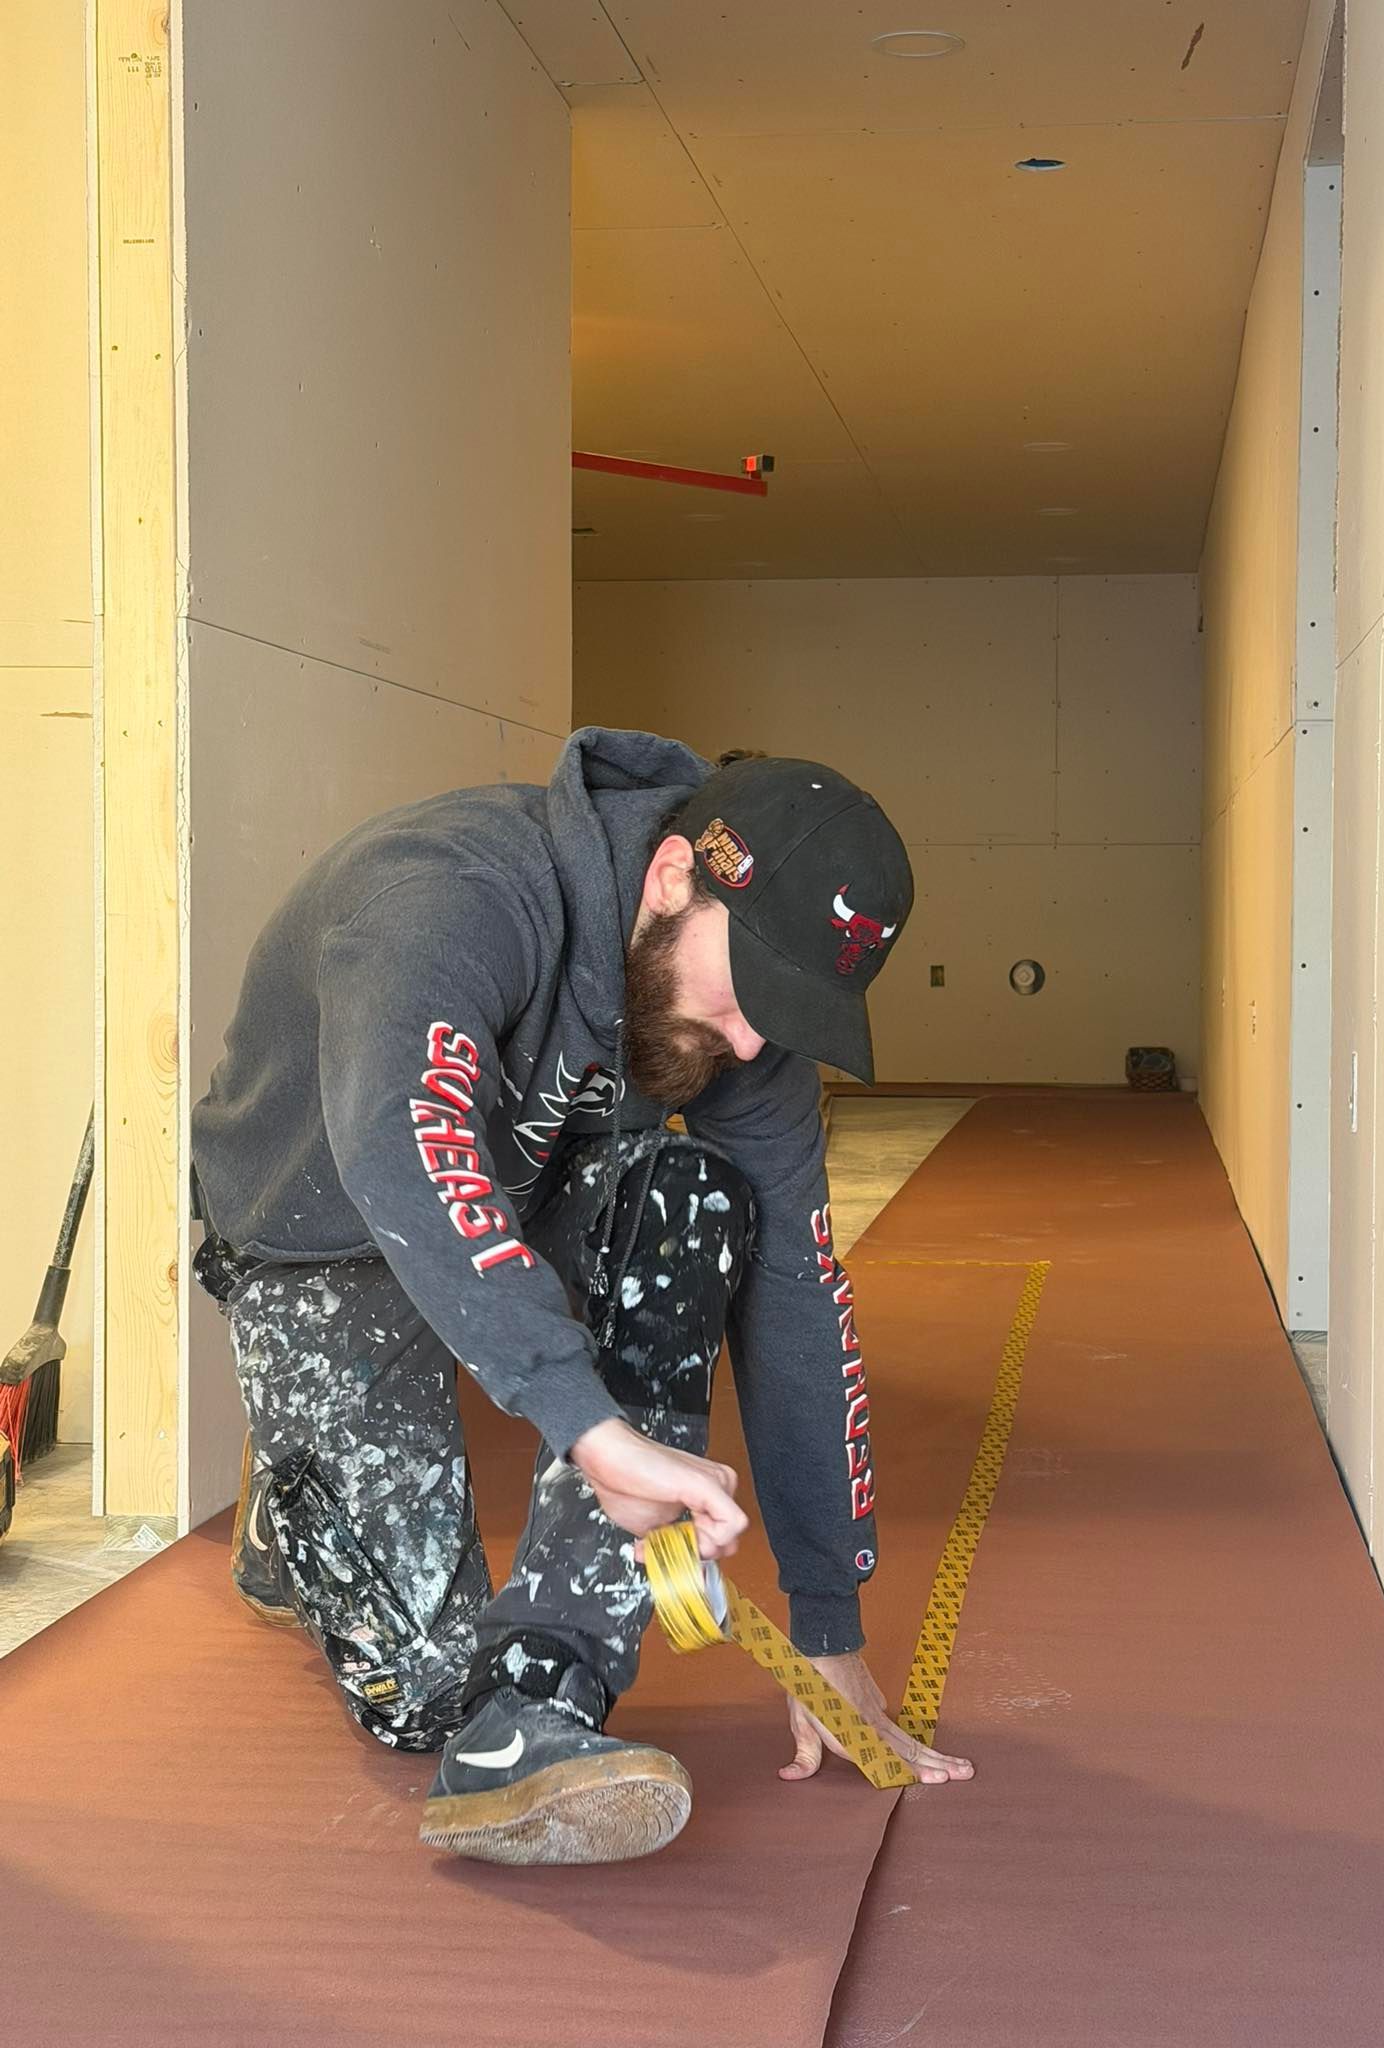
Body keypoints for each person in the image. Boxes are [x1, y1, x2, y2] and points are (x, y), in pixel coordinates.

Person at [190, 727, 973, 1867]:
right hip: (325, 1234)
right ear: (671, 877)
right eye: (752, 990)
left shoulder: (732, 1023)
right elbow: (402, 1151)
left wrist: (827, 1621)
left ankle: (538, 1696)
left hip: (522, 1187)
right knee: (418, 1697)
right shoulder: (443, 893)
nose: (753, 1038)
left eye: (789, 1012)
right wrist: (591, 1424)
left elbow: (801, 1292)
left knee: (697, 1197)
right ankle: (297, 1504)